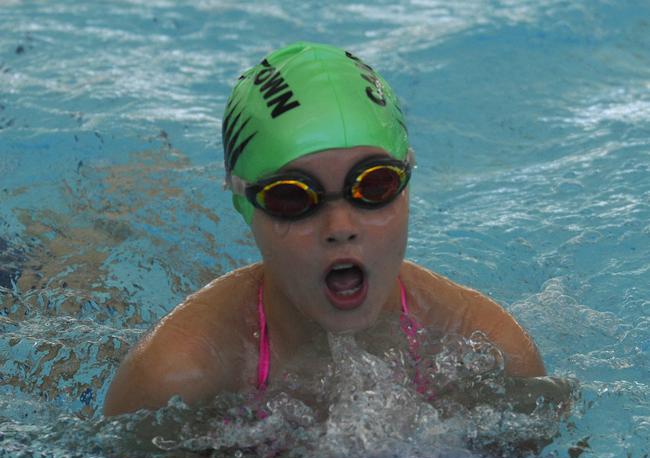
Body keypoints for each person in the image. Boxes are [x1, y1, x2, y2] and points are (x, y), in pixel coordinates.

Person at [103, 41, 545, 417]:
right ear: (243, 203)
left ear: (408, 183)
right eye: (293, 197)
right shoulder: (174, 378)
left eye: (374, 185)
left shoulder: (491, 350)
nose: (340, 227)